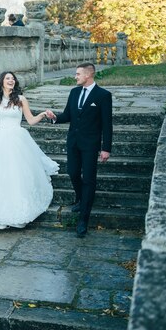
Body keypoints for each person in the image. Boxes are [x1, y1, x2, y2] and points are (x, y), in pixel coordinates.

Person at [0, 71, 59, 230]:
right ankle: (1, 215)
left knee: (16, 176)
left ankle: (19, 214)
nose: (11, 80)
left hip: (17, 140)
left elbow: (31, 120)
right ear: (2, 82)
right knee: (0, 177)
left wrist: (42, 114)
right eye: (8, 78)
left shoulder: (21, 100)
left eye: (13, 79)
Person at [46, 63, 113, 238]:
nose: (75, 77)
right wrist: (55, 118)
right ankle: (81, 198)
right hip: (73, 142)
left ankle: (83, 220)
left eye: (78, 74)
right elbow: (67, 115)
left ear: (88, 75)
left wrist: (106, 148)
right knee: (72, 172)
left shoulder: (103, 96)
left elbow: (107, 124)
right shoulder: (74, 92)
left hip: (91, 145)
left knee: (89, 180)